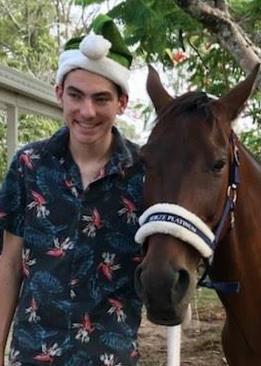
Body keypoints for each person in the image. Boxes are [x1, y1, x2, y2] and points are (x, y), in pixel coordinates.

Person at [0, 15, 144, 365]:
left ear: (121, 103)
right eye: (76, 96)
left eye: (102, 99)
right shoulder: (28, 165)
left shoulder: (147, 174)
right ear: (59, 94)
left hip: (111, 357)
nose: (87, 111)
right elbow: (9, 264)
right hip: (33, 353)